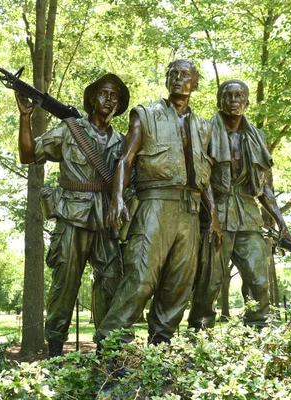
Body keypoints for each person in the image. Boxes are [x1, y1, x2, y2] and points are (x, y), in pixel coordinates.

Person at [95, 59, 222, 347]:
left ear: (195, 83)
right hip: (155, 204)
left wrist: (212, 215)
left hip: (189, 210)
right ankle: (111, 344)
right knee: (141, 278)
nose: (178, 79)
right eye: (173, 74)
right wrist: (117, 197)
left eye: (185, 75)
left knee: (178, 285)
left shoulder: (203, 126)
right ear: (167, 80)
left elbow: (206, 176)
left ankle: (161, 346)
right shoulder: (146, 114)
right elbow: (125, 160)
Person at [16, 73, 130, 357]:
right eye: (103, 93)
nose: (109, 99)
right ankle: (54, 352)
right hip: (72, 217)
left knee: (111, 282)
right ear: (92, 98)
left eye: (115, 96)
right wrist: (26, 118)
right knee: (65, 284)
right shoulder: (70, 130)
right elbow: (28, 155)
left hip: (107, 221)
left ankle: (108, 355)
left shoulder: (123, 141)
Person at [188, 79, 291, 330]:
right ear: (220, 100)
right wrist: (212, 218)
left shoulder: (257, 136)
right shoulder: (205, 131)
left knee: (259, 279)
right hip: (217, 213)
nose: (234, 101)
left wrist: (280, 220)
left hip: (248, 215)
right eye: (228, 96)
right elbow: (202, 179)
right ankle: (199, 335)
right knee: (209, 282)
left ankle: (258, 331)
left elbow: (263, 186)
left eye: (239, 96)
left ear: (246, 101)